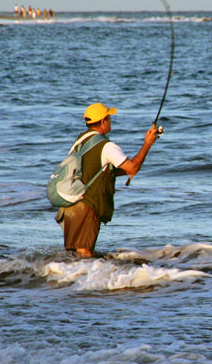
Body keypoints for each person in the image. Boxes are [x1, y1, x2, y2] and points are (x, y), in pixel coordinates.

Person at [55, 102, 159, 257]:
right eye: (109, 117)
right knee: (84, 253)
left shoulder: (80, 142)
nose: (111, 120)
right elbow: (133, 168)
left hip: (70, 205)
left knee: (73, 255)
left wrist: (125, 170)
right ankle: (86, 280)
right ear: (103, 121)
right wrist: (147, 144)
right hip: (87, 206)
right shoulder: (106, 146)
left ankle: (71, 280)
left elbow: (95, 170)